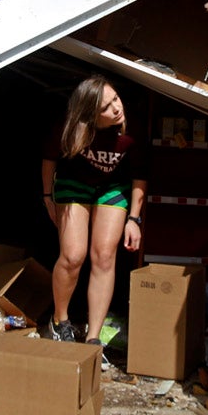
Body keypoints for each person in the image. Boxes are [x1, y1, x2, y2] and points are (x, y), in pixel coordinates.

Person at [42, 75, 148, 347]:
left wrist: (134, 219)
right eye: (106, 107)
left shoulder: (132, 125)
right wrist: (47, 196)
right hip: (73, 183)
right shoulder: (70, 125)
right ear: (90, 115)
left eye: (115, 99)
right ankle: (60, 321)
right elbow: (49, 159)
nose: (116, 108)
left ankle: (93, 337)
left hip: (112, 187)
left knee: (103, 256)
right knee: (73, 255)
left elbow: (139, 176)